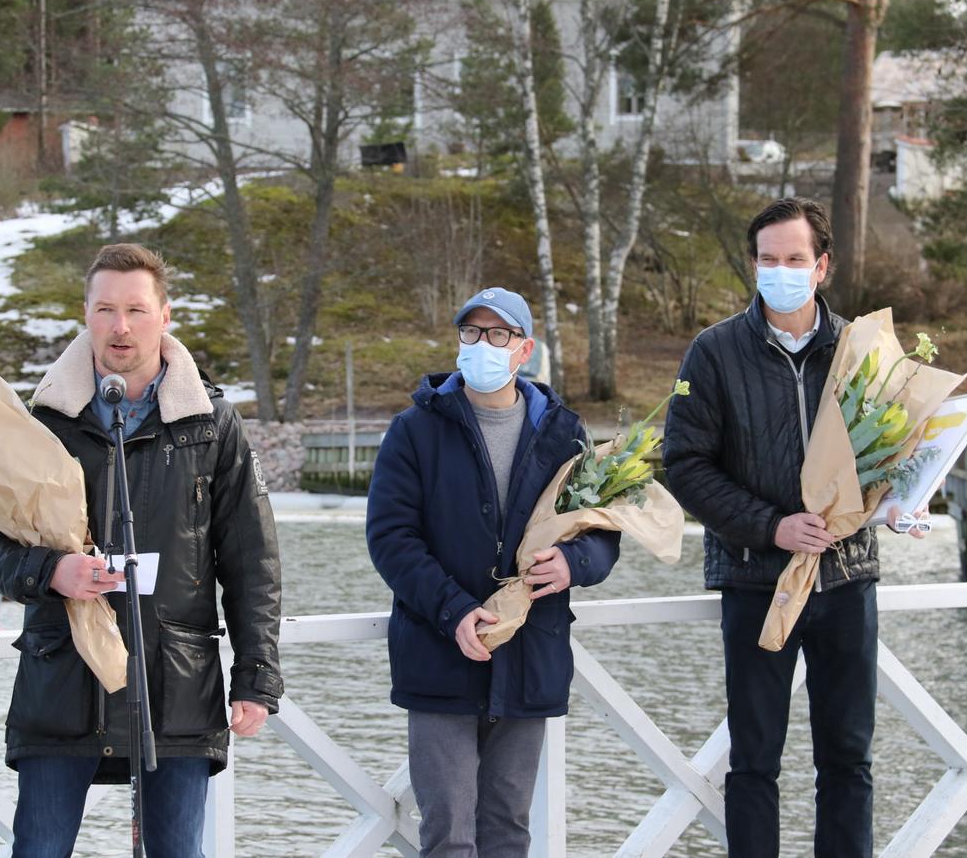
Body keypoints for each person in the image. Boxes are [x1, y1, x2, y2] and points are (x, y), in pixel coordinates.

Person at [0, 243, 283, 858]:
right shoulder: (39, 420)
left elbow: (253, 562)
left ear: (165, 316)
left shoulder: (211, 424)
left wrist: (256, 676)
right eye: (106, 309)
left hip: (176, 685)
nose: (120, 327)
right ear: (84, 314)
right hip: (62, 677)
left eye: (136, 310)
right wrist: (51, 570)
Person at [662, 197, 924, 857]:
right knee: (754, 762)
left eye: (795, 259)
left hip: (846, 579)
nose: (781, 270)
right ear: (754, 264)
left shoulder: (863, 352)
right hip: (757, 583)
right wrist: (772, 528)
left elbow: (892, 452)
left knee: (848, 759)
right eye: (769, 259)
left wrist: (893, 503)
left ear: (822, 266)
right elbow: (687, 467)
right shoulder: (713, 353)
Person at [366, 287, 621, 858]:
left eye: (498, 334)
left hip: (531, 657)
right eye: (472, 333)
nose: (483, 345)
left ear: (523, 348)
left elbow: (603, 530)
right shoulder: (416, 430)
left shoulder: (564, 434)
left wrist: (574, 563)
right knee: (449, 834)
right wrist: (453, 609)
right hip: (440, 655)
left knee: (508, 830)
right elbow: (390, 537)